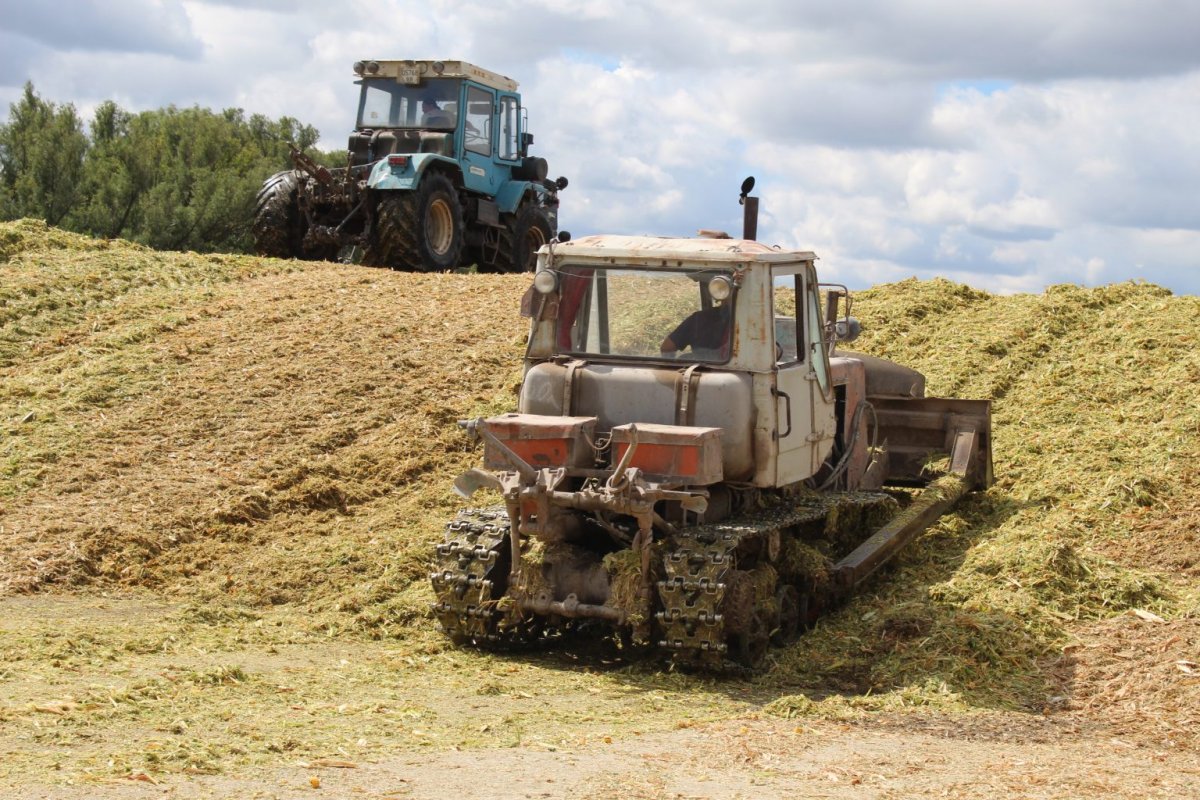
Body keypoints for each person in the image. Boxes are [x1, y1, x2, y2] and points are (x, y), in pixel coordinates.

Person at [660, 301, 732, 359]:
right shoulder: (699, 319)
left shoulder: (699, 318)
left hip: (703, 372)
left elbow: (667, 348)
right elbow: (667, 347)